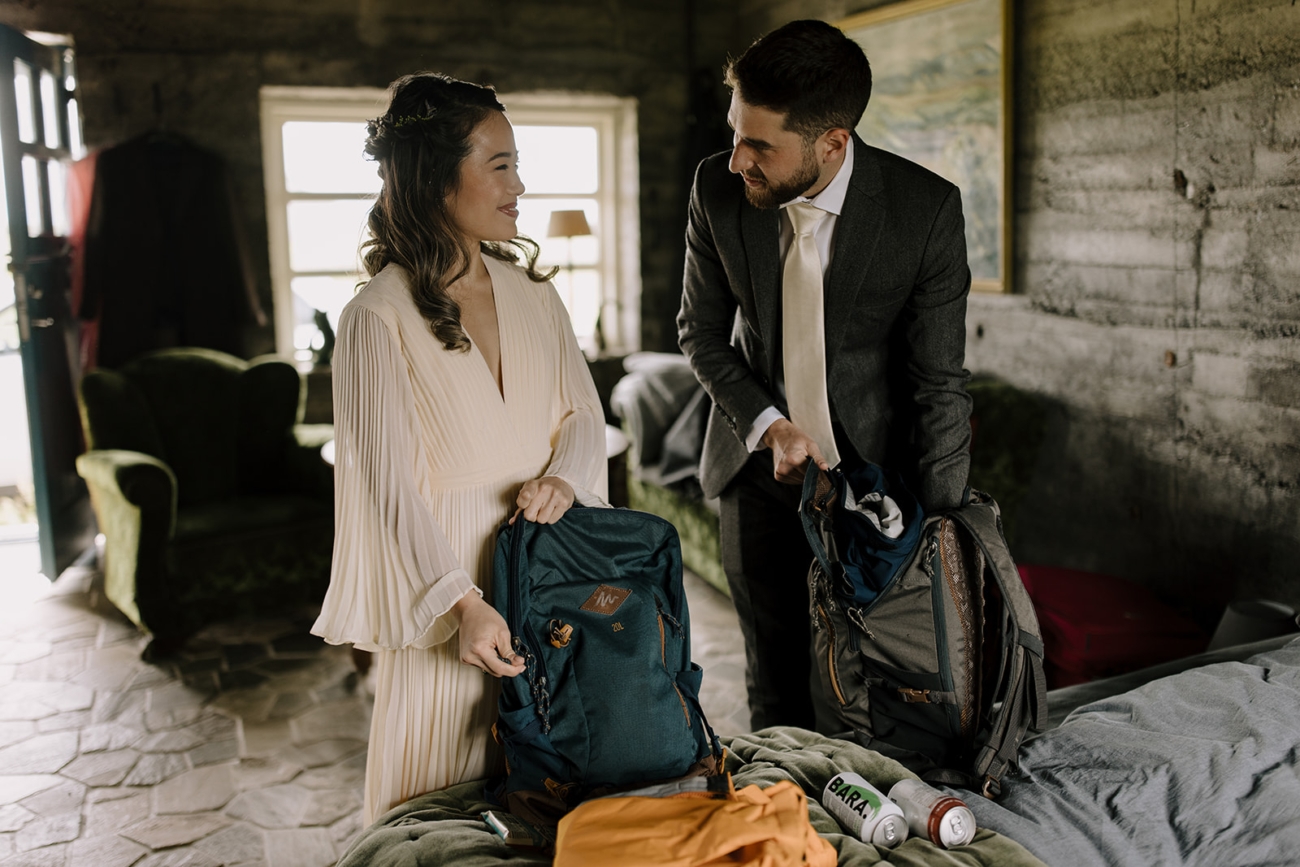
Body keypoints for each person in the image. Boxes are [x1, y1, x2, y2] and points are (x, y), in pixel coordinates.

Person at [311, 73, 608, 824]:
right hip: (447, 605)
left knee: (549, 805)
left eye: (516, 162)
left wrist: (568, 480)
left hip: (545, 587)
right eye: (500, 164)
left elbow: (583, 413)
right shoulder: (376, 316)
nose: (520, 184)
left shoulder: (535, 294)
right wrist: (460, 603)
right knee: (438, 814)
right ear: (439, 180)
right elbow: (386, 487)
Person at [677, 20, 972, 732]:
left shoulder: (924, 211)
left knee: (865, 690)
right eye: (735, 132)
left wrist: (944, 527)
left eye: (760, 147)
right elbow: (700, 334)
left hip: (874, 486)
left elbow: (939, 383)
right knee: (772, 685)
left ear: (833, 141)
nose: (735, 160)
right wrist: (770, 424)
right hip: (754, 474)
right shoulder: (716, 192)